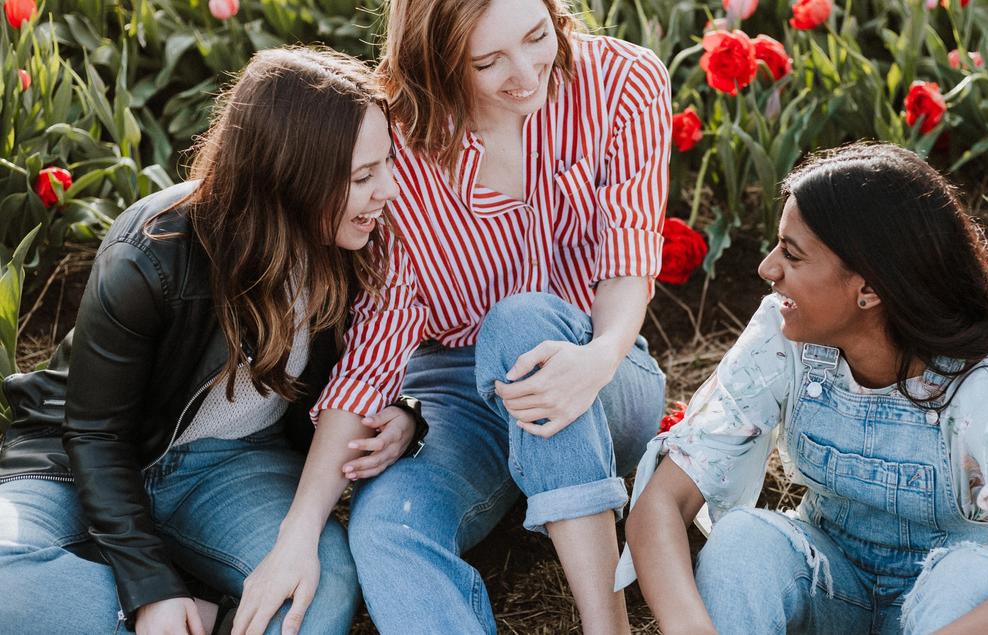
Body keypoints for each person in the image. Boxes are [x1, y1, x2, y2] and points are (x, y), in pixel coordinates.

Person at [246, 0, 669, 632]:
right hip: (461, 392)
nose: (526, 74)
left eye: (536, 36)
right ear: (434, 62)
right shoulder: (401, 150)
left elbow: (628, 257)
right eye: (488, 60)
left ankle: (604, 626)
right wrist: (298, 533)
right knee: (388, 526)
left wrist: (600, 355)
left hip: (601, 370)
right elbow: (375, 351)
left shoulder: (622, 81)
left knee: (522, 322)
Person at [0, 46, 421, 635]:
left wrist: (402, 414)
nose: (389, 190)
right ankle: (187, 618)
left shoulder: (363, 247)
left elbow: (376, 363)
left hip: (232, 466)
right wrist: (148, 592)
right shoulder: (151, 253)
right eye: (363, 176)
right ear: (289, 178)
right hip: (78, 459)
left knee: (319, 587)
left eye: (385, 165)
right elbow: (94, 433)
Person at [620, 143, 988, 635]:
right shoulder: (785, 340)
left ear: (869, 289)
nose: (767, 268)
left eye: (792, 253)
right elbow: (660, 505)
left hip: (950, 615)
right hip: (831, 586)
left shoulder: (987, 386)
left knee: (971, 572)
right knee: (743, 540)